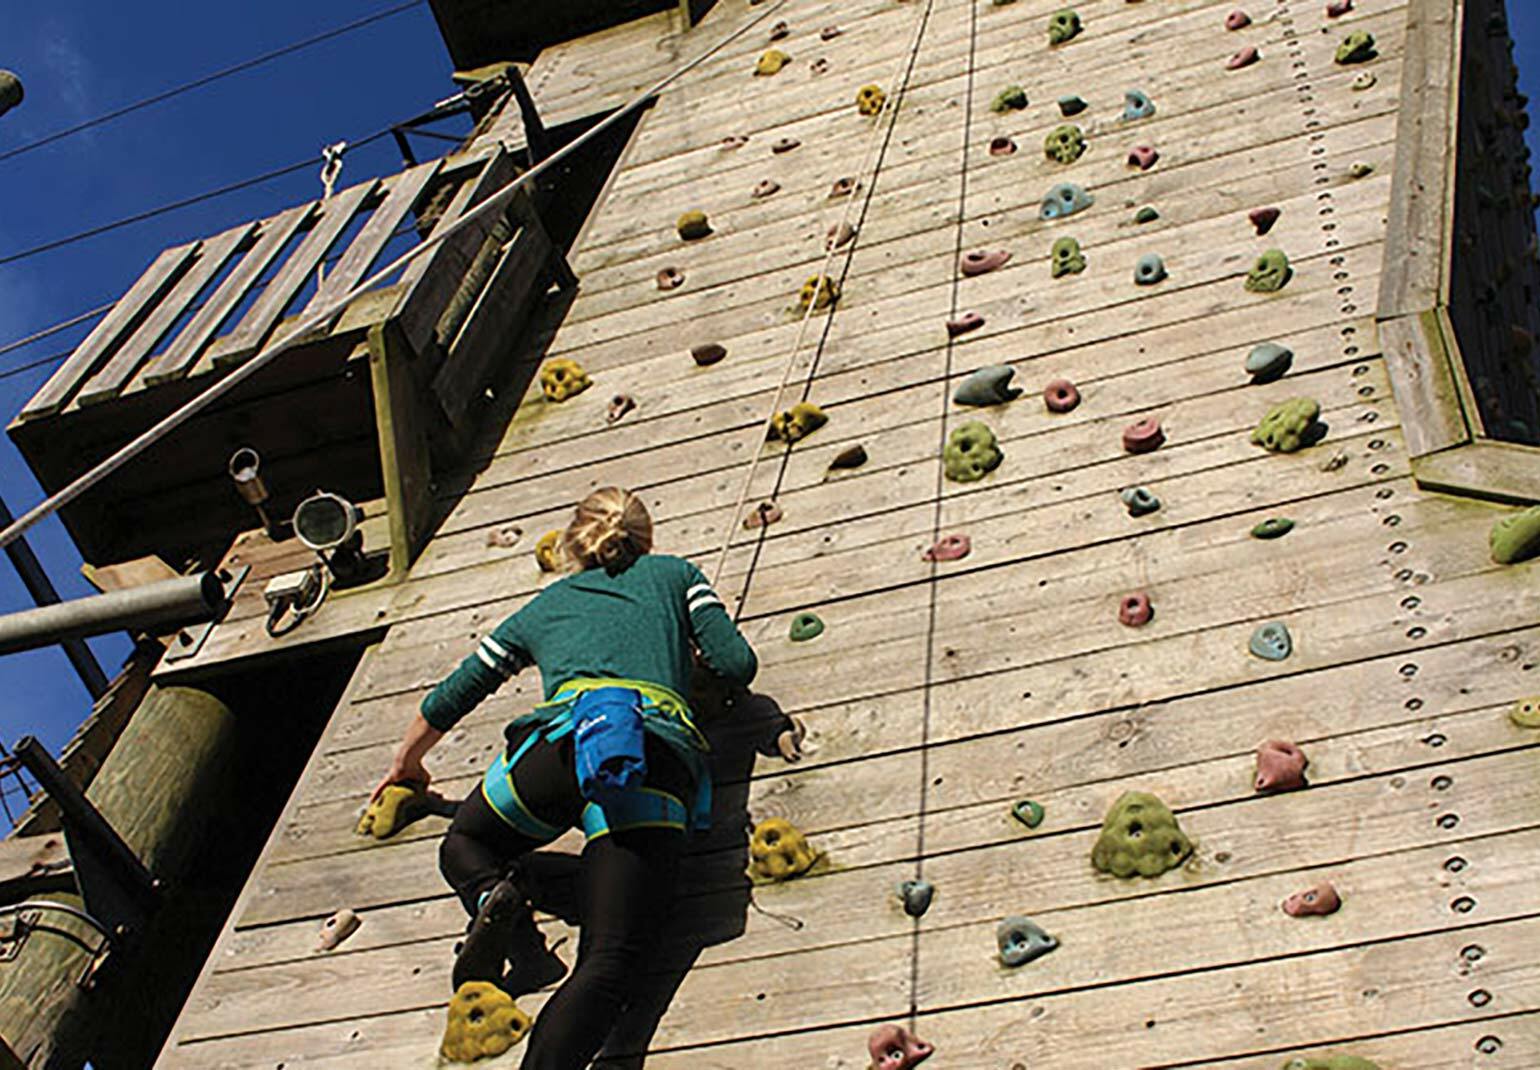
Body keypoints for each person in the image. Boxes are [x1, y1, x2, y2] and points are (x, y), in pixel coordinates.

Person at [372, 487, 758, 1069]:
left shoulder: (546, 606)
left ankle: (492, 892)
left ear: (575, 545)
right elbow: (737, 664)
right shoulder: (676, 575)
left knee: (467, 842)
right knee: (608, 962)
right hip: (646, 758)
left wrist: (407, 762)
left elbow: (462, 686)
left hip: (559, 747)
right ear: (643, 537)